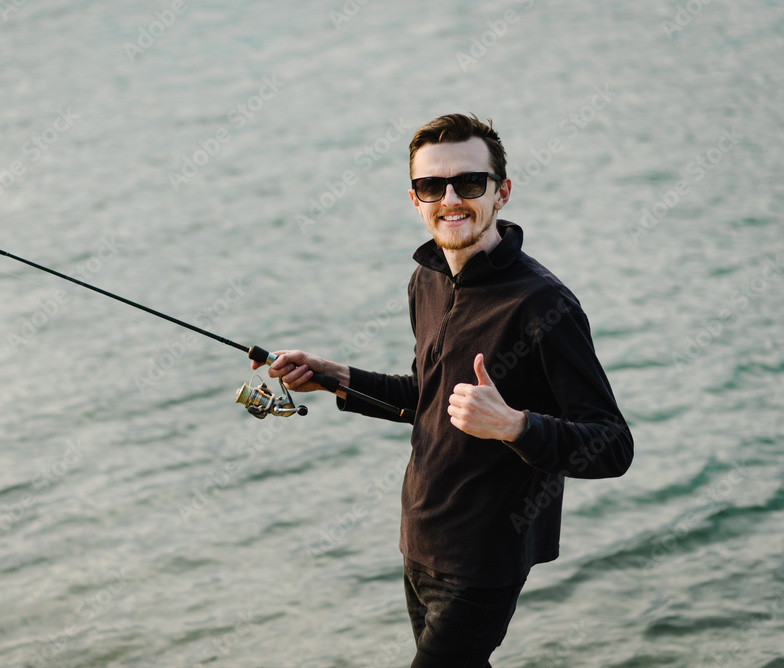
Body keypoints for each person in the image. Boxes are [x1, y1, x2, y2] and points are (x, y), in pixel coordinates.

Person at [253, 114, 634, 666]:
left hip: (485, 559)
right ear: (414, 198)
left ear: (501, 192)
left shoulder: (544, 305)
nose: (450, 198)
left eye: (469, 183)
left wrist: (514, 425)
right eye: (432, 186)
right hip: (419, 540)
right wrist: (334, 376)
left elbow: (613, 445)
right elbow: (425, 396)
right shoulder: (426, 279)